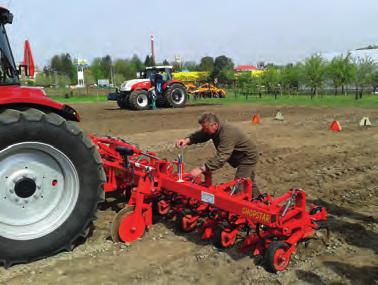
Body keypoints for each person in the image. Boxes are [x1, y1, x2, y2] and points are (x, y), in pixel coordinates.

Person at [176, 112, 259, 198]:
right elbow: (202, 135)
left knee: (239, 187)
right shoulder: (213, 129)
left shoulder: (227, 134)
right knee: (249, 183)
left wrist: (202, 169)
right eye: (203, 128)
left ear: (215, 125)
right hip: (238, 156)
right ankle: (260, 202)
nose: (204, 131)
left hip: (247, 157)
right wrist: (187, 140)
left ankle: (251, 208)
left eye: (206, 128)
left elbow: (222, 157)